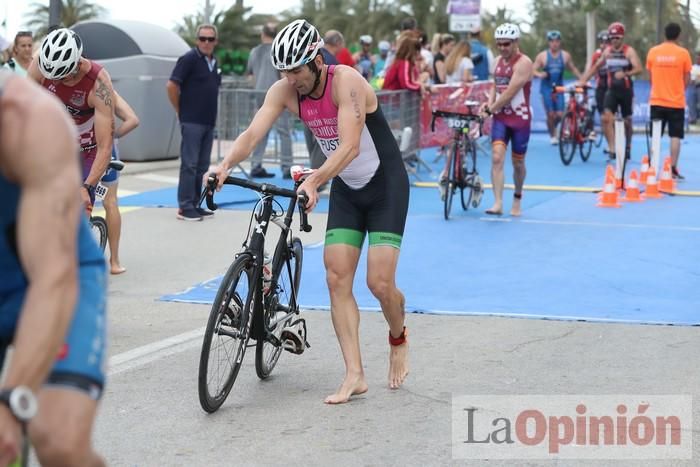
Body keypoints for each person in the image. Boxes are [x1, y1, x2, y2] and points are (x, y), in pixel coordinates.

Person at [209, 19, 410, 404]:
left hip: (385, 187)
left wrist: (315, 180)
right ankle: (355, 374)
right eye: (284, 70)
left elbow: (350, 146)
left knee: (380, 285)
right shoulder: (285, 90)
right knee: (337, 278)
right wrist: (225, 166)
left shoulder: (346, 81)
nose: (290, 78)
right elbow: (254, 134)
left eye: (297, 69)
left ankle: (398, 336)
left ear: (317, 60)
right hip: (349, 190)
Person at [0, 70, 108, 467]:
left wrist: (13, 401)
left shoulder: (28, 120)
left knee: (58, 442)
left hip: (56, 275)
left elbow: (52, 278)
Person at [27, 28, 116, 215]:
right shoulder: (40, 65)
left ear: (76, 65)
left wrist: (87, 187)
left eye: (61, 76)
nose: (55, 82)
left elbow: (105, 147)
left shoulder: (98, 84)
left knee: (78, 211)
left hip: (87, 149)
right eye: (51, 76)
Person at [166, 24, 222, 221]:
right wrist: (180, 109)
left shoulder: (214, 62)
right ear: (197, 40)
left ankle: (195, 204)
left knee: (201, 165)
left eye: (210, 39)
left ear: (215, 41)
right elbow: (172, 85)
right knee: (189, 164)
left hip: (208, 122)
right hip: (191, 120)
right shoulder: (189, 59)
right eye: (202, 38)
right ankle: (184, 206)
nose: (206, 42)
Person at [480, 23, 533, 217]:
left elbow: (510, 92)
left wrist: (489, 109)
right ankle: (498, 202)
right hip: (501, 118)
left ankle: (517, 198)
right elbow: (495, 86)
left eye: (506, 44)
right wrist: (488, 102)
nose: (502, 48)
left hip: (520, 120)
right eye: (499, 44)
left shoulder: (524, 63)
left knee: (518, 163)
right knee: (496, 157)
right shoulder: (496, 62)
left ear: (516, 42)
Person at [579, 22, 642, 161]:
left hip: (626, 91)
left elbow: (639, 68)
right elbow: (596, 67)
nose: (614, 40)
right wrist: (583, 80)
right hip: (611, 90)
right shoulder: (607, 52)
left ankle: (628, 146)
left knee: (627, 121)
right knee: (605, 118)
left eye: (617, 37)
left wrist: (625, 74)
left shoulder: (628, 51)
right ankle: (612, 148)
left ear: (622, 38)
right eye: (612, 37)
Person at [246, 22, 294, 178]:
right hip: (278, 96)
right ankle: (287, 167)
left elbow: (250, 77)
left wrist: (255, 93)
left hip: (260, 95)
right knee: (284, 132)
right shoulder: (279, 49)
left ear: (262, 34)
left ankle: (256, 164)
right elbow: (283, 74)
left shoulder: (254, 52)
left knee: (259, 132)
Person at [100, 91, 139, 274]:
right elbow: (132, 120)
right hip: (105, 147)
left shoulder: (59, 83)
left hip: (78, 146)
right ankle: (114, 261)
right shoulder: (104, 87)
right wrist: (113, 136)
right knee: (110, 202)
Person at [646, 22, 691, 180]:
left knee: (656, 136)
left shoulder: (653, 52)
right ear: (678, 35)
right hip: (676, 102)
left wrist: (658, 88)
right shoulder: (683, 53)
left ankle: (653, 168)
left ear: (664, 34)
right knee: (675, 136)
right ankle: (672, 169)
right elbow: (687, 78)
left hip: (657, 100)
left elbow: (651, 76)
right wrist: (679, 90)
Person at [533, 30, 582, 145]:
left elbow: (573, 68)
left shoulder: (565, 56)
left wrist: (582, 79)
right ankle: (553, 136)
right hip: (546, 89)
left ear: (559, 42)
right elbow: (532, 69)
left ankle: (554, 127)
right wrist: (540, 74)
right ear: (549, 43)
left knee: (560, 114)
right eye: (552, 41)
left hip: (559, 89)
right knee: (550, 114)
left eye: (556, 41)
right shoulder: (543, 56)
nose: (554, 44)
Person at [585, 30, 611, 148]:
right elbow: (592, 69)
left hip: (612, 88)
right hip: (600, 87)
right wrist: (584, 80)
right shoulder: (596, 55)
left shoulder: (614, 53)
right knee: (603, 117)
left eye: (606, 42)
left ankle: (614, 142)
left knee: (611, 117)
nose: (603, 44)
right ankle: (609, 142)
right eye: (602, 42)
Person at [687, 51, 700, 125]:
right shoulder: (693, 67)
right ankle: (693, 118)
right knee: (692, 103)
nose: (698, 60)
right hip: (693, 87)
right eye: (697, 58)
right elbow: (690, 77)